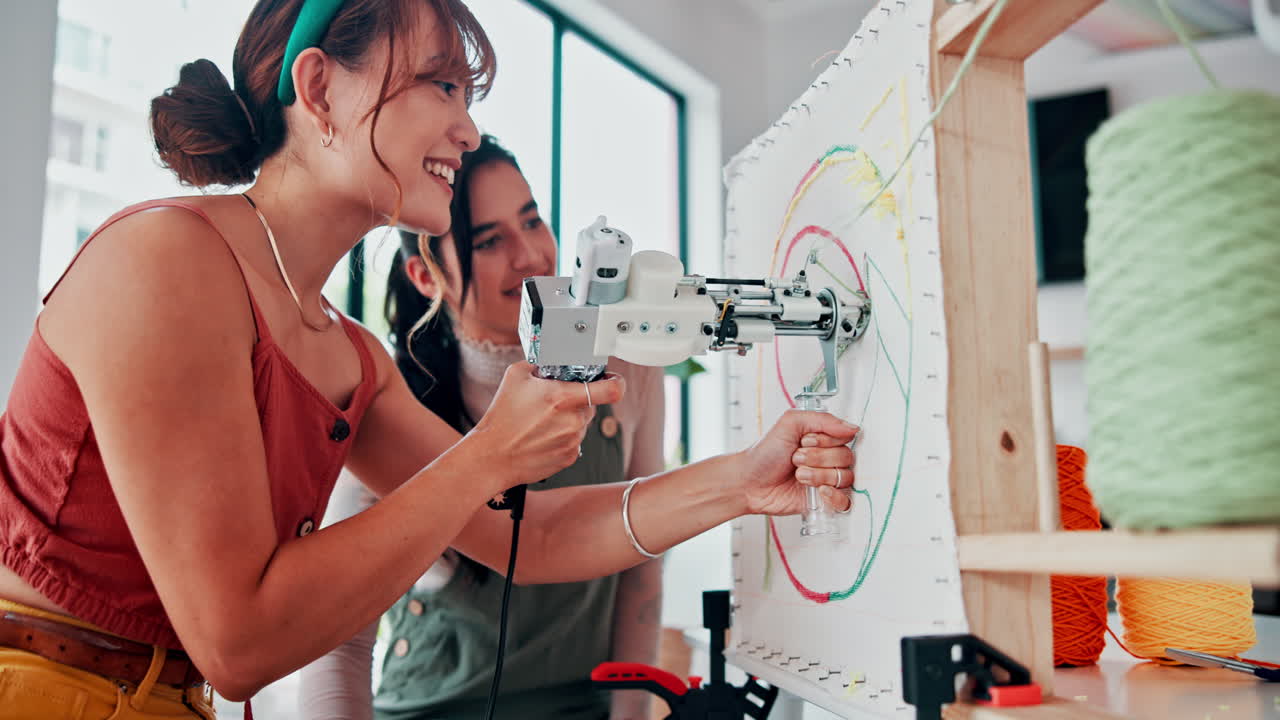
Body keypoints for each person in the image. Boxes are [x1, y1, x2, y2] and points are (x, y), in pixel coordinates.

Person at [0, 1, 857, 718]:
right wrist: (488, 454)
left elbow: (533, 537)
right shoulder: (168, 261)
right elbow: (238, 641)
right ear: (319, 87)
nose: (468, 123)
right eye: (441, 83)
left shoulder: (348, 355)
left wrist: (743, 480)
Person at [300, 135, 665, 720]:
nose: (531, 257)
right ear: (425, 276)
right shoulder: (398, 410)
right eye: (490, 240)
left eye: (532, 221)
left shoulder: (626, 372)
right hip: (431, 707)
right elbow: (339, 639)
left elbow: (641, 574)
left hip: (581, 705)